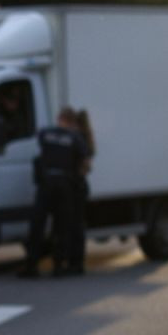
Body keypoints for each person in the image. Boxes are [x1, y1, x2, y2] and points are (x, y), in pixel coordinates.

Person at [19, 106, 90, 278]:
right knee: (62, 226)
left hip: (46, 184)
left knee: (37, 224)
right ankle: (58, 266)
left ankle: (31, 265)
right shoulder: (75, 137)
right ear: (72, 122)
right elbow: (86, 163)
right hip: (65, 185)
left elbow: (40, 152)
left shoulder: (45, 133)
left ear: (59, 118)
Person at [68, 108, 95, 275]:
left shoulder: (77, 138)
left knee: (74, 226)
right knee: (78, 226)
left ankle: (75, 263)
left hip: (76, 187)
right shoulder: (86, 138)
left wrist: (75, 175)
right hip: (81, 186)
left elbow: (86, 165)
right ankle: (77, 262)